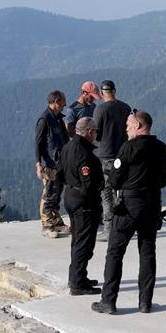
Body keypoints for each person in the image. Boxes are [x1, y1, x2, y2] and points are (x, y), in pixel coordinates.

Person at [92, 110, 166, 315]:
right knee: (147, 253)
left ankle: (108, 301)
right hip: (152, 205)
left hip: (128, 206)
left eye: (128, 125)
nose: (126, 129)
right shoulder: (162, 149)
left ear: (138, 125)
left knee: (115, 252)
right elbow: (163, 181)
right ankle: (145, 302)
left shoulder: (128, 147)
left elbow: (115, 180)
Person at [59, 117, 102, 295]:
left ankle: (78, 276)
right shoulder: (83, 153)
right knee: (83, 242)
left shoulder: (67, 147)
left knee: (77, 240)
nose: (96, 135)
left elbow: (59, 173)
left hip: (70, 195)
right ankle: (77, 284)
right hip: (84, 201)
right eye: (95, 131)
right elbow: (88, 182)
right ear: (90, 132)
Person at [91, 80, 132, 229]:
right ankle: (126, 223)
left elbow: (96, 133)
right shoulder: (125, 107)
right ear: (115, 91)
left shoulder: (100, 110)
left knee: (107, 193)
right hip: (123, 155)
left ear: (102, 94)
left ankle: (110, 229)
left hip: (105, 156)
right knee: (122, 192)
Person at [34, 90, 69, 238]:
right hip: (49, 163)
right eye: (62, 102)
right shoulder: (45, 119)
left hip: (60, 162)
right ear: (56, 102)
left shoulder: (58, 118)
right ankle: (47, 225)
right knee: (49, 194)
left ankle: (56, 222)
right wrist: (38, 164)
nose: (65, 105)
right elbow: (38, 143)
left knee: (57, 193)